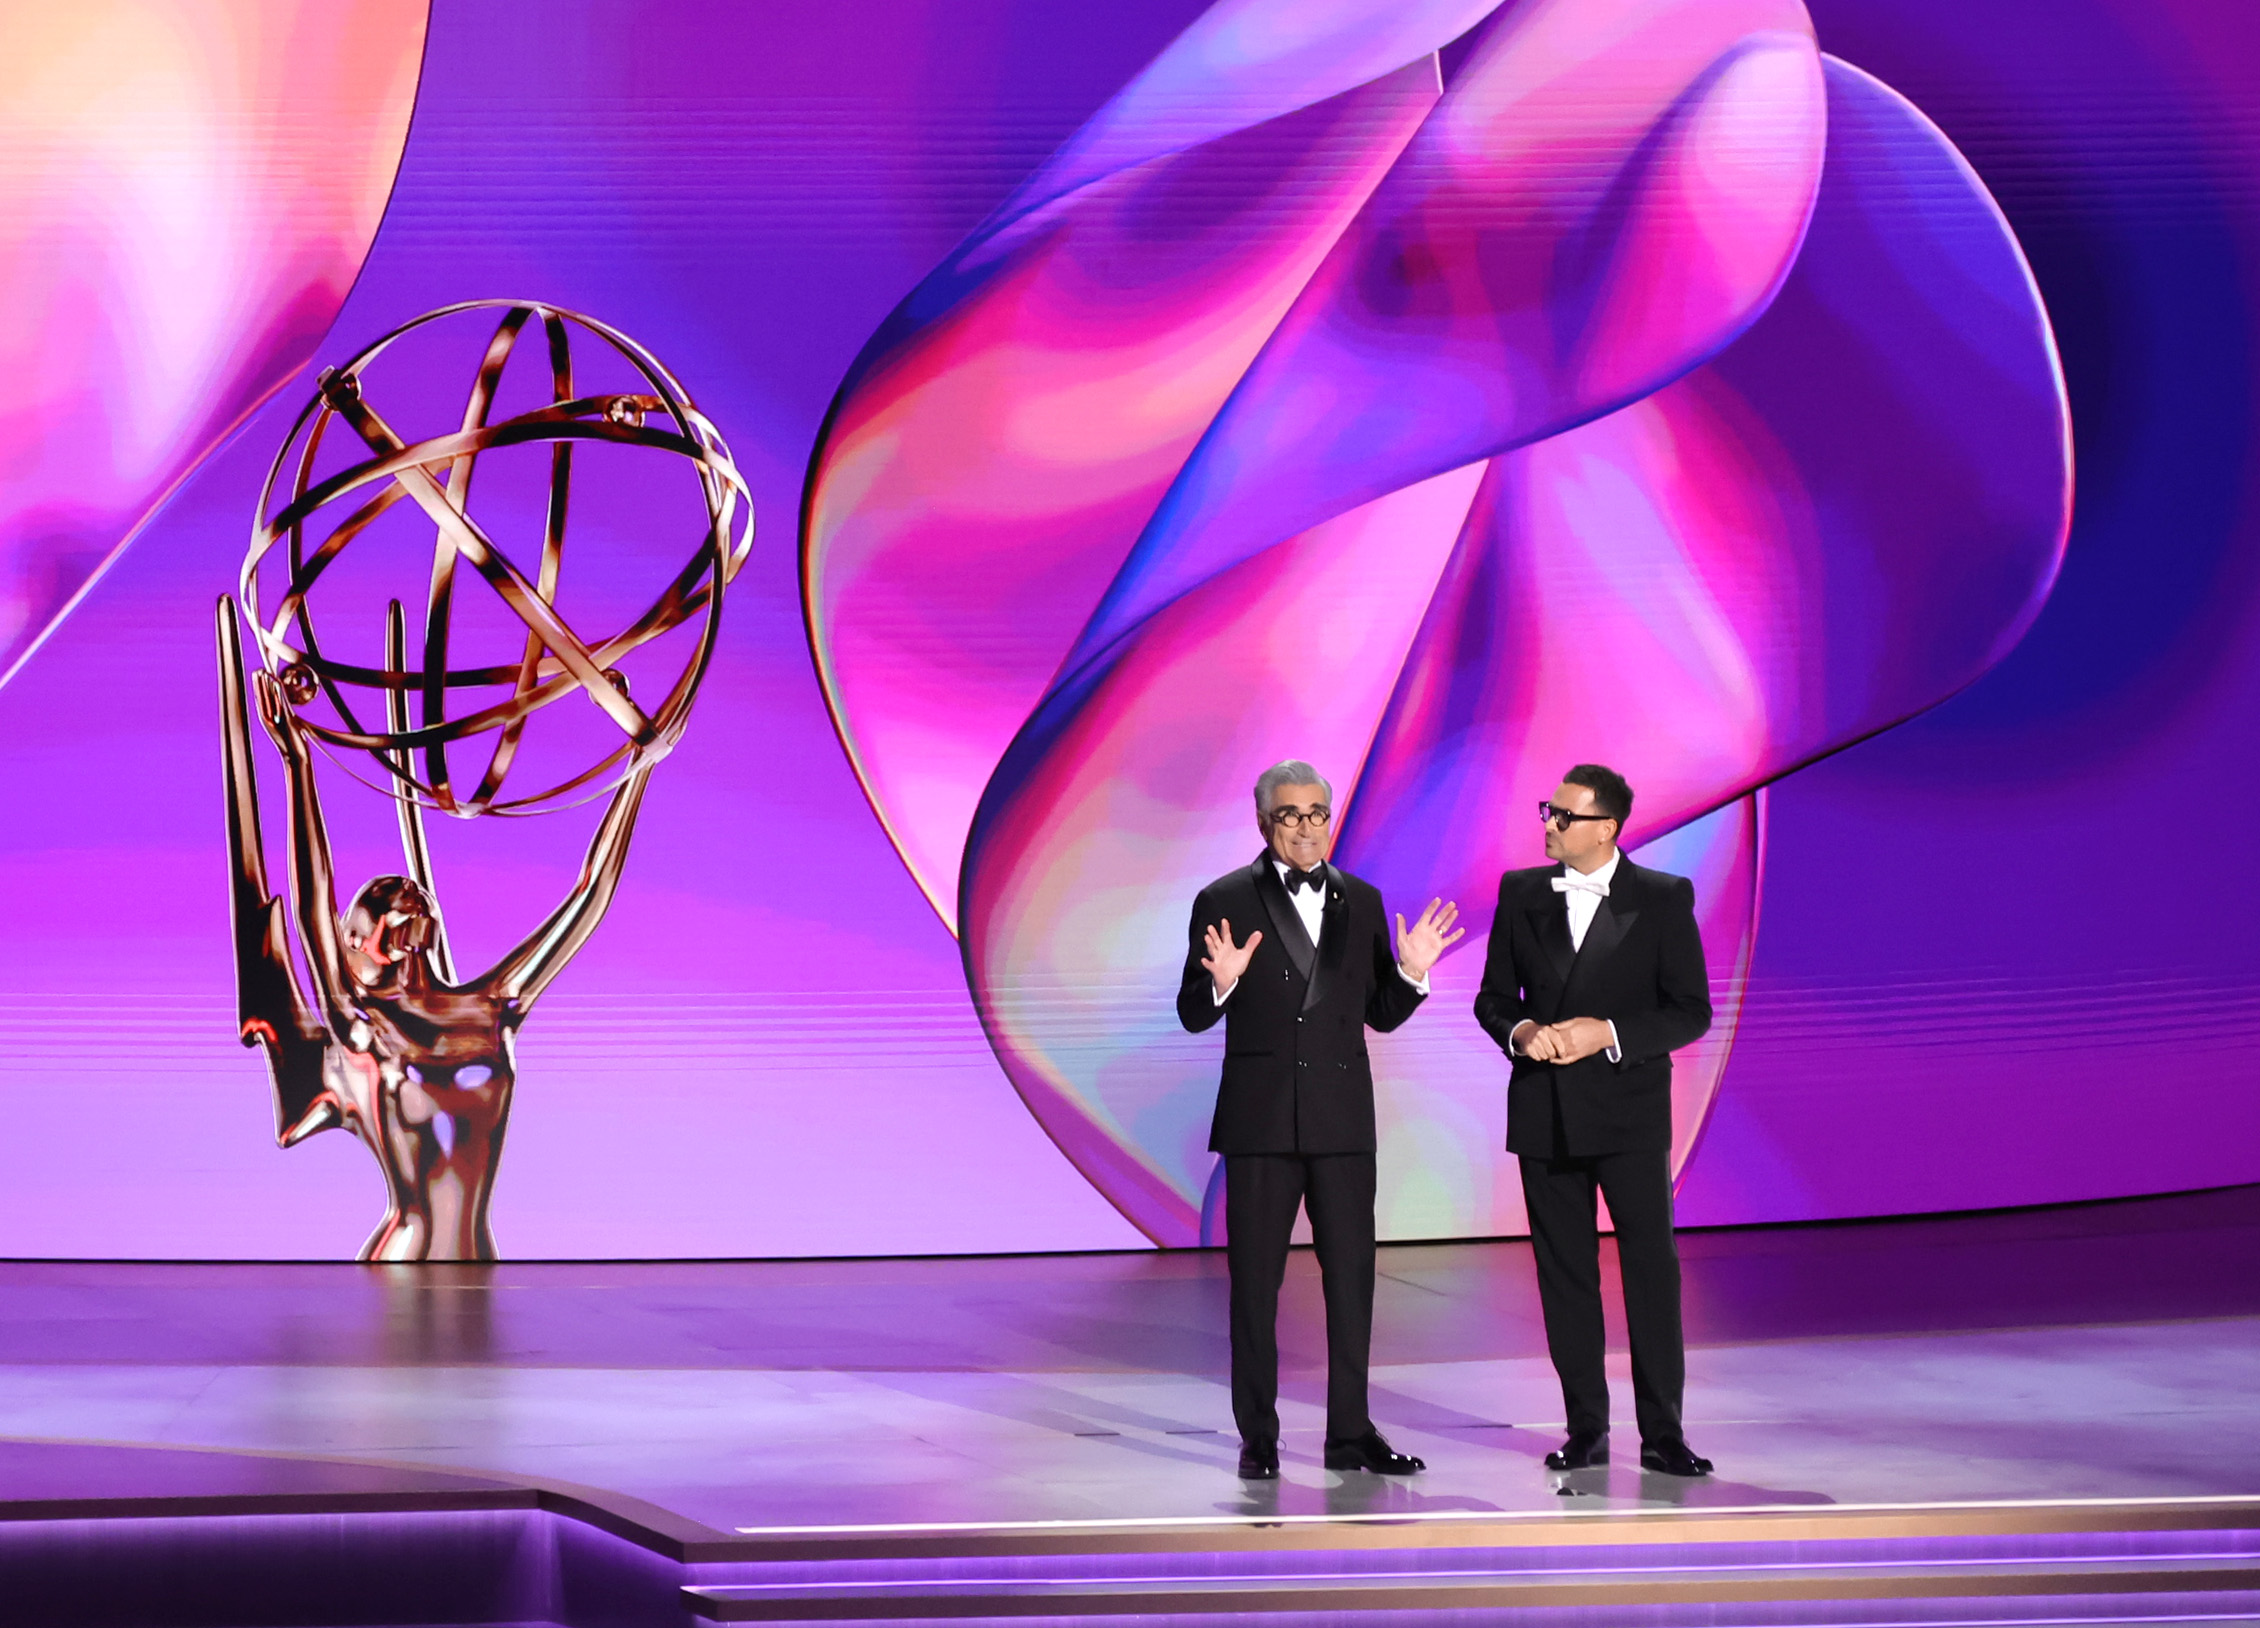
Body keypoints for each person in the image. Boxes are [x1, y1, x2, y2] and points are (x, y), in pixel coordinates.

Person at [1176, 759, 1463, 1481]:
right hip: (1261, 1125)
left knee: (1352, 1281)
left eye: (1316, 813)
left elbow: (1379, 1016)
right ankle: (1260, 1436)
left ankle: (1349, 1433)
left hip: (1341, 1126)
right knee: (1254, 1289)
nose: (1305, 827)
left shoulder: (1361, 900)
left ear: (1329, 819)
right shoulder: (1224, 898)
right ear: (1263, 821)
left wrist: (1412, 974)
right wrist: (1220, 984)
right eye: (1289, 815)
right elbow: (1189, 1014)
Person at [1472, 764, 1716, 1477]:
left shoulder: (1663, 898)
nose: (1547, 823)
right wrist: (1521, 1032)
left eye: (1562, 815)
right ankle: (1586, 1429)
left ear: (1606, 828)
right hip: (1544, 1112)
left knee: (1650, 1272)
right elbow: (1492, 996)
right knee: (1565, 1275)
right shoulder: (1521, 892)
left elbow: (1689, 1009)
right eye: (1548, 810)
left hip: (1628, 1113)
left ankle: (1663, 1434)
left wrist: (1604, 1031)